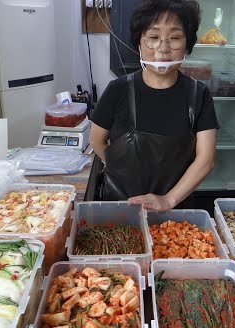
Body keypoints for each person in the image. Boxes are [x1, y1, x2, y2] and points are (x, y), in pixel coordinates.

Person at [89, 0, 218, 211]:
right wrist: (123, 173)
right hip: (122, 208)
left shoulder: (198, 95)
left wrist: (168, 200)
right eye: (153, 37)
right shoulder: (117, 90)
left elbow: (206, 159)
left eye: (175, 38)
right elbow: (96, 141)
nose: (163, 48)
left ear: (188, 43)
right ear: (139, 42)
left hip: (176, 213)